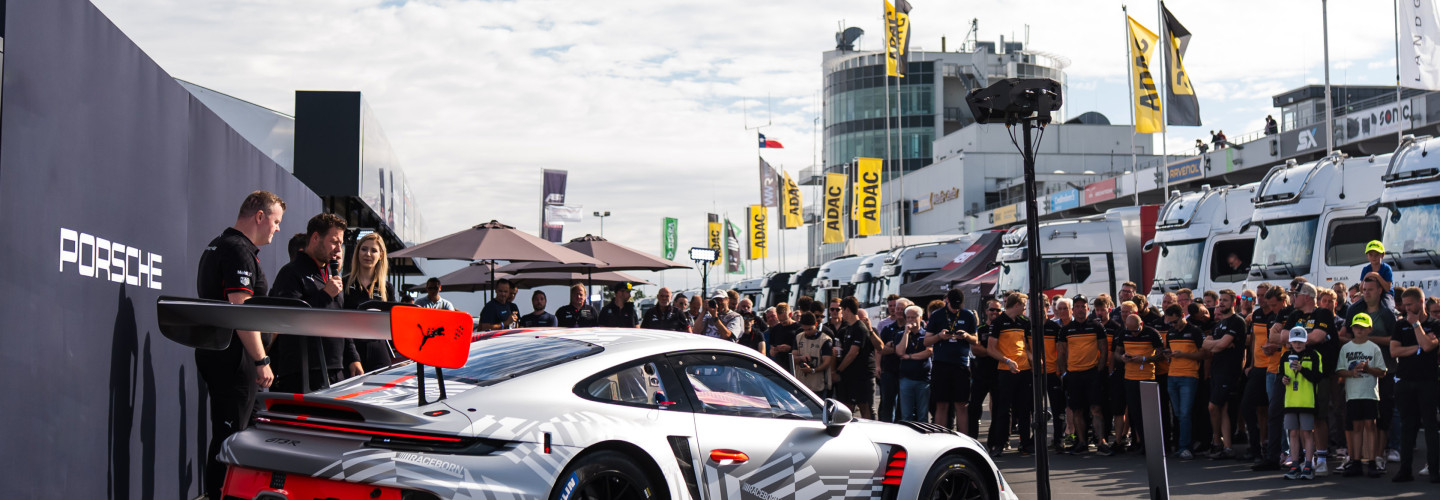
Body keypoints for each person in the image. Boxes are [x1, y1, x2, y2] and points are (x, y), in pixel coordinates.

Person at [194, 191, 283, 500]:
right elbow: (240, 310)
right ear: (260, 217)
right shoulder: (236, 250)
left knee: (227, 434)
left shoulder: (221, 244)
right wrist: (261, 360)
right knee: (231, 437)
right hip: (233, 359)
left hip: (221, 354)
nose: (277, 228)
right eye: (276, 221)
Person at [268, 213, 362, 394]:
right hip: (302, 373)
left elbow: (340, 320)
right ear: (315, 238)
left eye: (340, 243)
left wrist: (353, 358)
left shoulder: (330, 273)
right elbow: (289, 319)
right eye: (334, 241)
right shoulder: (291, 272)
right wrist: (325, 295)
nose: (338, 248)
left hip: (336, 369)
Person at [1389, 287, 1439, 483]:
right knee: (1407, 426)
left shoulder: (1435, 324)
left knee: (1430, 426)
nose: (1406, 309)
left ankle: (1434, 470)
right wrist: (1418, 347)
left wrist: (1417, 325)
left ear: (1421, 302)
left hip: (1428, 382)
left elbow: (1429, 346)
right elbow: (1394, 351)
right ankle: (1405, 470)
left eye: (1410, 305)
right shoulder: (1400, 325)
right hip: (1405, 381)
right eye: (1404, 305)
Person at [1336, 312, 1387, 478]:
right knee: (1356, 427)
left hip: (1370, 394)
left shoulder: (1373, 348)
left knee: (1370, 426)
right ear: (1352, 328)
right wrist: (1351, 373)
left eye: (1363, 327)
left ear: (1369, 329)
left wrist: (1368, 369)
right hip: (1353, 394)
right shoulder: (1346, 348)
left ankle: (1372, 462)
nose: (1359, 330)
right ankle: (1356, 461)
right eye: (1357, 327)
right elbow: (1340, 370)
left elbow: (1382, 371)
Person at [1058, 295, 1109, 455]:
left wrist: (1099, 370)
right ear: (1073, 309)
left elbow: (1104, 349)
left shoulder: (1096, 326)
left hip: (1092, 374)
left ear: (1088, 308)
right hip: (1074, 375)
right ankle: (1082, 442)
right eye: (1077, 306)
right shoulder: (1066, 329)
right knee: (1077, 410)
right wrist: (1065, 373)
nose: (1080, 309)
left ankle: (1101, 441)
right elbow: (1061, 353)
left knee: (1096, 408)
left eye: (1083, 306)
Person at [926, 290, 980, 433]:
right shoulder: (937, 315)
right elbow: (927, 341)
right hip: (941, 364)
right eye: (953, 305)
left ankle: (964, 440)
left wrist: (966, 336)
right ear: (947, 301)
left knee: (961, 405)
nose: (956, 308)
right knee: (941, 404)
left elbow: (975, 340)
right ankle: (940, 438)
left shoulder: (967, 315)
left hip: (961, 365)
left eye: (958, 305)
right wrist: (939, 336)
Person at [988, 293, 1035, 457]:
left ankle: (1025, 443)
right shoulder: (998, 322)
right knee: (1004, 409)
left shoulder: (1024, 322)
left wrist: (1032, 359)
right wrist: (1007, 360)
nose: (1025, 307)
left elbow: (1027, 347)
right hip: (1006, 370)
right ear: (1017, 304)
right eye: (1023, 304)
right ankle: (999, 444)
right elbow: (991, 348)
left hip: (1024, 369)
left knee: (1024, 408)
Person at [343, 232, 396, 372]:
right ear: (357, 252)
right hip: (352, 354)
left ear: (381, 255)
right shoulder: (344, 284)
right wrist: (351, 356)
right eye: (364, 249)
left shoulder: (387, 289)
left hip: (380, 353)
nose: (368, 254)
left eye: (374, 250)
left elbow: (394, 324)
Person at [1115, 302, 1164, 454]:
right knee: (1135, 413)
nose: (1134, 334)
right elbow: (1116, 353)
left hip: (1148, 377)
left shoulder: (1152, 333)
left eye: (1136, 331)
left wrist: (1144, 359)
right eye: (1131, 331)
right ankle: (1141, 443)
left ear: (1141, 323)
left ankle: (1153, 444)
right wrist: (1123, 358)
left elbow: (1161, 354)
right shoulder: (1124, 333)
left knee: (1149, 413)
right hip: (1129, 377)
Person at [1281, 326, 1325, 480]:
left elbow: (1317, 377)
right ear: (1290, 342)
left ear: (1306, 341)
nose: (1298, 345)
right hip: (1290, 401)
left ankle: (1308, 464)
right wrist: (1284, 379)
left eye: (1300, 341)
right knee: (1292, 433)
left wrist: (1301, 369)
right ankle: (1294, 464)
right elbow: (1281, 375)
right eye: (1295, 341)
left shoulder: (1314, 355)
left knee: (1307, 433)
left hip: (1307, 401)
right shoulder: (1285, 356)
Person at [1205, 299, 1246, 460]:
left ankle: (1217, 441)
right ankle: (1227, 447)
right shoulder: (1218, 325)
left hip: (1229, 371)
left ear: (1233, 304)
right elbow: (1206, 344)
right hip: (1216, 370)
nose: (1221, 303)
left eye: (1225, 301)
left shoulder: (1237, 322)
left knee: (1213, 406)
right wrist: (1218, 344)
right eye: (1220, 300)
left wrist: (1217, 345)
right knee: (1222, 408)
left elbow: (1220, 345)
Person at [1164, 304, 1205, 459]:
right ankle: (1182, 445)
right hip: (1172, 375)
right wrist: (1168, 355)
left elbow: (1204, 354)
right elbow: (1169, 351)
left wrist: (1184, 355)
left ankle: (1185, 446)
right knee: (1178, 414)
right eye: (1170, 323)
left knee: (1185, 413)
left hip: (1189, 376)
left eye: (1175, 322)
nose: (1173, 325)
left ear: (1182, 315)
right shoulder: (1170, 333)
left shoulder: (1195, 331)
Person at [835, 296, 881, 419]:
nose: (841, 313)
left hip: (862, 376)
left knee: (864, 407)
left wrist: (838, 370)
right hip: (850, 376)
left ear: (847, 310)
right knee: (847, 406)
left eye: (841, 310)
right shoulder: (848, 328)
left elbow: (853, 353)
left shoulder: (860, 328)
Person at [968, 298, 1003, 441]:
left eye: (998, 310)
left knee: (999, 410)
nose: (995, 312)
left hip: (999, 373)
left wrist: (987, 350)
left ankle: (995, 440)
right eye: (992, 309)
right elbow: (975, 349)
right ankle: (972, 439)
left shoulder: (1003, 330)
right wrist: (993, 351)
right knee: (974, 408)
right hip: (980, 374)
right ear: (986, 311)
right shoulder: (980, 329)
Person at [897, 305, 934, 422]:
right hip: (906, 379)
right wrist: (906, 333)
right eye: (908, 317)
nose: (910, 320)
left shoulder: (927, 334)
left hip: (923, 379)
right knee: (906, 415)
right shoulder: (901, 335)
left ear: (920, 318)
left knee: (922, 415)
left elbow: (928, 352)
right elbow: (900, 352)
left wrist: (910, 356)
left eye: (913, 317)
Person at [877, 298, 908, 423]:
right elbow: (880, 349)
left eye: (902, 309)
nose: (899, 311)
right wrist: (878, 366)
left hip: (906, 372)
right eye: (897, 309)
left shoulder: (912, 328)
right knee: (887, 405)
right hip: (889, 371)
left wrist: (893, 347)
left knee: (902, 406)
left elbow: (908, 350)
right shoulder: (887, 328)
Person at [792, 312, 835, 398]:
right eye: (804, 329)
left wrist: (812, 370)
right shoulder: (798, 337)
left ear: (816, 324)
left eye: (810, 329)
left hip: (818, 386)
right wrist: (801, 358)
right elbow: (793, 358)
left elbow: (827, 362)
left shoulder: (825, 340)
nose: (807, 332)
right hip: (801, 384)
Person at [766, 303, 801, 371]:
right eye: (780, 320)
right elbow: (771, 351)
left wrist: (790, 348)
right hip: (781, 366)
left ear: (790, 315)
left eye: (784, 320)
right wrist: (775, 350)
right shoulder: (775, 329)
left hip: (795, 366)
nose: (782, 323)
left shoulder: (798, 328)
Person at [1360, 241, 1395, 305]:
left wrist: (1377, 275)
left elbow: (1388, 288)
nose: (1373, 257)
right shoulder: (1365, 269)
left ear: (1382, 255)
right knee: (1355, 308)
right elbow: (1361, 290)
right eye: (1371, 255)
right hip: (1370, 295)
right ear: (1367, 256)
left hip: (1386, 295)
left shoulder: (1386, 269)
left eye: (1376, 255)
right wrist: (1366, 276)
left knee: (1388, 309)